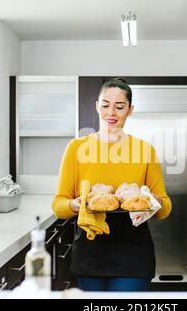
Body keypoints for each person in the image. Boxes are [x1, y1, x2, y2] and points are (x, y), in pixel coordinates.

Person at [52, 78, 172, 292]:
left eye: (119, 107)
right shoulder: (76, 148)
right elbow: (58, 205)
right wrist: (75, 205)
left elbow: (164, 208)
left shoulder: (144, 150)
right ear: (96, 106)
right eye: (106, 105)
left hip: (133, 254)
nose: (111, 113)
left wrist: (151, 203)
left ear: (130, 110)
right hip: (90, 253)